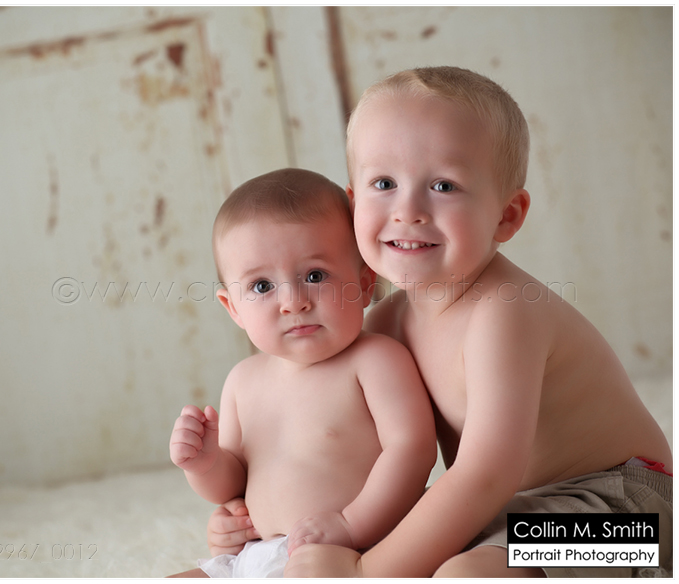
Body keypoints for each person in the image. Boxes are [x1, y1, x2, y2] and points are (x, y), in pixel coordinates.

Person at [208, 67, 673, 578]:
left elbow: (486, 473)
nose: (408, 211)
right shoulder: (384, 324)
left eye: (444, 185)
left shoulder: (504, 312)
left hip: (625, 509)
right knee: (440, 550)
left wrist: (368, 571)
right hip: (504, 512)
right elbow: (342, 454)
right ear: (353, 202)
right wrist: (255, 519)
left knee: (465, 575)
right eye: (384, 183)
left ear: (506, 216)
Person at [168, 168, 437, 578]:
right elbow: (232, 483)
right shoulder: (242, 381)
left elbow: (413, 451)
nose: (293, 302)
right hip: (256, 554)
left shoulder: (376, 361)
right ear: (233, 308)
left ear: (365, 283)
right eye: (262, 286)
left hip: (352, 550)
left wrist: (351, 525)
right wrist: (204, 464)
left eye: (315, 276)